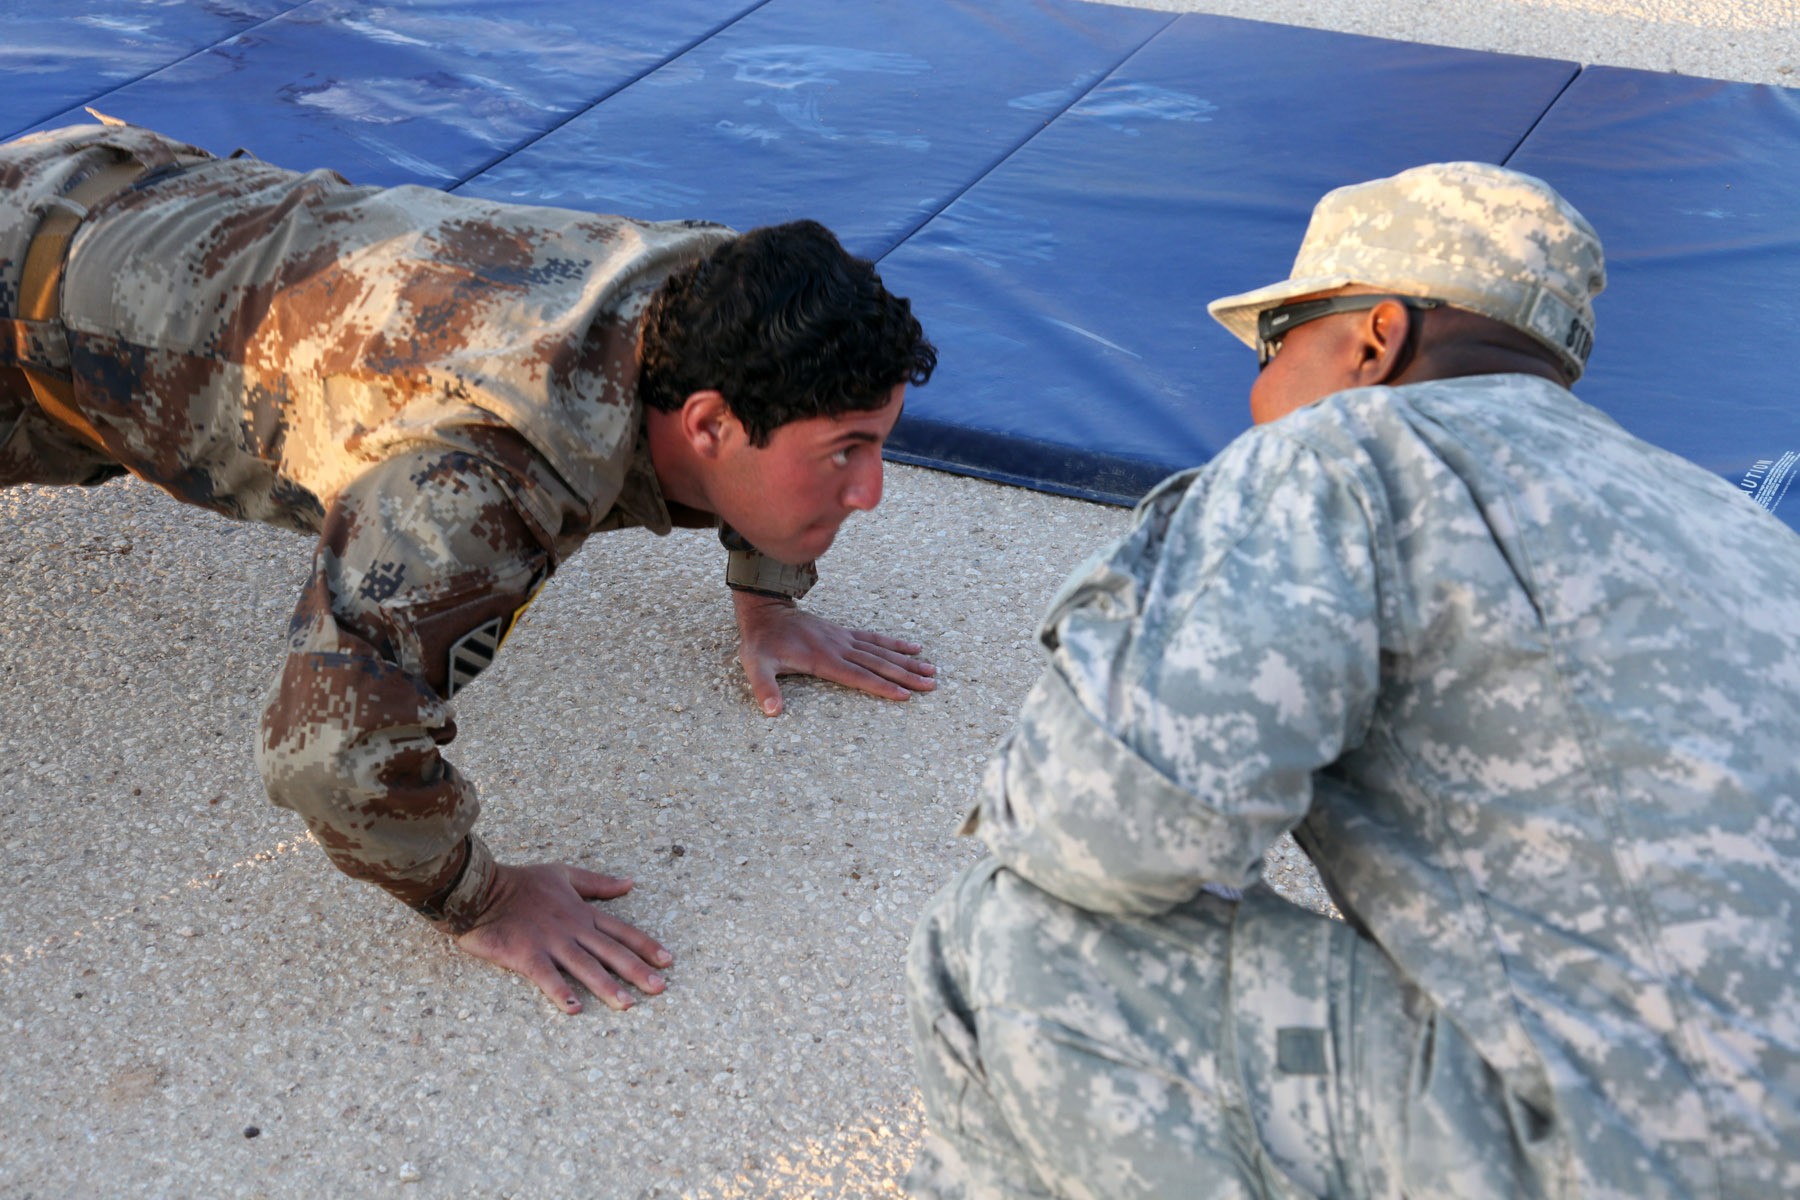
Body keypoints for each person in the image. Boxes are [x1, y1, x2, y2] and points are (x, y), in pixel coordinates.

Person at [904, 161, 1799, 1197]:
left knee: (1014, 934)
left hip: (1640, 1160)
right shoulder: (1725, 517)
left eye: (1279, 343)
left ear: (1375, 338)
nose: (1256, 391)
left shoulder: (1350, 452)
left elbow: (1108, 838)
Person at [0, 119, 938, 1013]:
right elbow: (326, 756)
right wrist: (479, 898)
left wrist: (768, 593)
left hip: (129, 189)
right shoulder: (474, 490)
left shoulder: (709, 289)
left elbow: (768, 404)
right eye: (845, 453)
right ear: (707, 425)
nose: (872, 491)